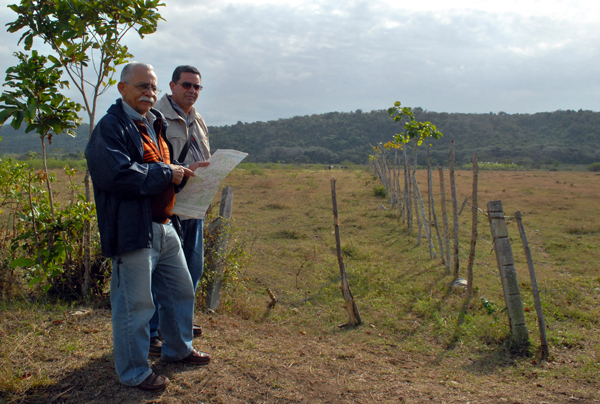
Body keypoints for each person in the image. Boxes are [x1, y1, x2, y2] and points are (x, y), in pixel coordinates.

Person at [85, 62, 210, 391]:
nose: (149, 93)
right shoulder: (110, 128)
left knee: (180, 290)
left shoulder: (153, 123)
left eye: (153, 88)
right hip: (132, 230)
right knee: (135, 305)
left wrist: (183, 173)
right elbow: (117, 175)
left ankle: (178, 349)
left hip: (164, 226)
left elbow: (159, 171)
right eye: (142, 86)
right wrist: (169, 173)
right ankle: (135, 371)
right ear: (122, 88)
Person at [149, 65, 211, 355]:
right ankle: (153, 333)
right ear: (172, 86)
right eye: (187, 85)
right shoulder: (155, 116)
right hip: (169, 205)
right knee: (161, 274)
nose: (192, 91)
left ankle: (179, 323)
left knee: (192, 270)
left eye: (197, 87)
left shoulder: (198, 119)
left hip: (194, 207)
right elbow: (151, 161)